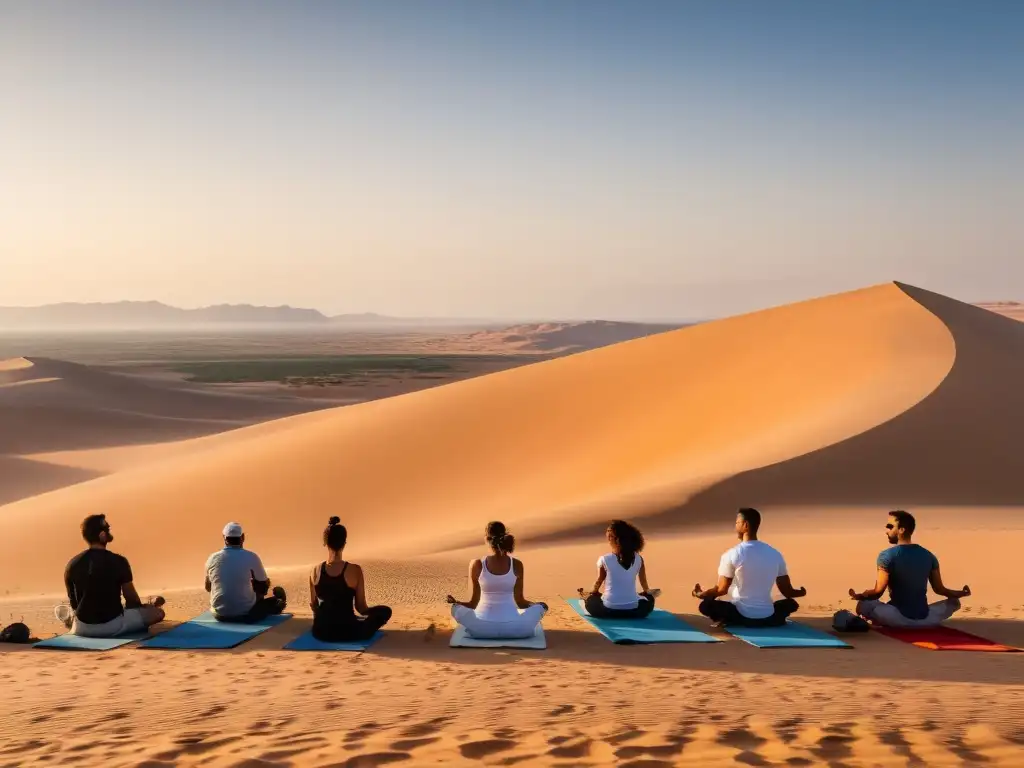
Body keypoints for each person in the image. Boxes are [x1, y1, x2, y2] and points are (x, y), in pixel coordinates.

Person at [849, 510, 970, 628]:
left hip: (897, 619)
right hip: (927, 620)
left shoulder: (886, 556)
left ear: (901, 530)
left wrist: (861, 596)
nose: (886, 531)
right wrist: (961, 593)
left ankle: (879, 619)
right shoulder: (929, 555)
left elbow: (877, 592)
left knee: (865, 604)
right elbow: (940, 589)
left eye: (890, 527)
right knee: (954, 602)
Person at [692, 507, 806, 627]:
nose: (735, 526)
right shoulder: (775, 553)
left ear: (745, 525)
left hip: (741, 617)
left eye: (737, 523)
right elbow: (787, 591)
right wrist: (801, 592)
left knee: (705, 606)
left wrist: (701, 594)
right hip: (769, 617)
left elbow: (721, 590)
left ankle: (728, 620)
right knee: (791, 604)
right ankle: (775, 620)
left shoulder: (732, 554)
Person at [59, 514, 165, 637]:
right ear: (102, 535)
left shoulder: (72, 564)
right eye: (107, 529)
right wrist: (141, 609)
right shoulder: (118, 561)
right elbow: (132, 599)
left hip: (81, 629)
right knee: (158, 613)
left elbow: (74, 604)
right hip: (113, 626)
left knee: (66, 611)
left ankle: (70, 621)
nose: (109, 531)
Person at [446, 521, 547, 639]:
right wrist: (537, 606)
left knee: (455, 609)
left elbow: (473, 604)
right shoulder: (517, 565)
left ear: (486, 539)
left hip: (481, 629)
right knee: (542, 607)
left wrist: (456, 602)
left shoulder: (477, 564)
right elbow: (521, 603)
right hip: (515, 629)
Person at [309, 517, 392, 642]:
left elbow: (314, 606)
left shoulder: (314, 571)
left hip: (320, 632)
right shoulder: (355, 571)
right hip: (349, 632)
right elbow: (361, 608)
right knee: (385, 611)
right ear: (344, 543)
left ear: (325, 543)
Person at [205, 522, 286, 622]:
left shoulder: (212, 558)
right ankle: (278, 602)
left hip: (219, 615)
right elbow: (263, 588)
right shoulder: (252, 557)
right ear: (243, 537)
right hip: (246, 614)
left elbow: (208, 587)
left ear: (224, 538)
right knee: (275, 599)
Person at [577, 520, 657, 619]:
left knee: (590, 600)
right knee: (649, 600)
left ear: (612, 538)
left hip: (608, 610)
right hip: (633, 610)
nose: (608, 540)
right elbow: (645, 585)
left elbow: (598, 582)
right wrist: (646, 593)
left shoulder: (604, 559)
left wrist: (592, 593)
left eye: (608, 537)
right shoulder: (639, 559)